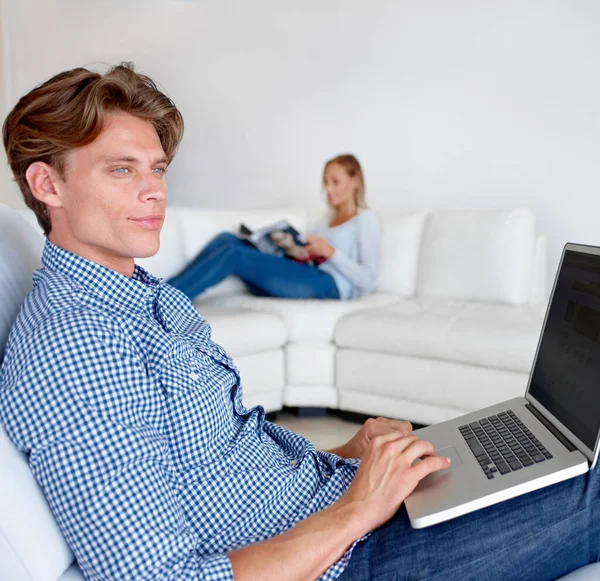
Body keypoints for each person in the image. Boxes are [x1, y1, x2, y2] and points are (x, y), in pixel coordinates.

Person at [0, 63, 598, 581]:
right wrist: (358, 510)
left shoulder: (146, 297)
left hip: (340, 516)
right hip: (352, 560)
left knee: (566, 451)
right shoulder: (75, 343)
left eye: (156, 168)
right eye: (122, 170)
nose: (155, 191)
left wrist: (348, 457)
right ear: (47, 183)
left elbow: (223, 462)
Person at [165, 153, 380, 301]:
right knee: (226, 239)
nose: (329, 189)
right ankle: (160, 293)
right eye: (326, 182)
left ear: (355, 181)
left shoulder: (365, 219)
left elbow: (368, 281)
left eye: (335, 181)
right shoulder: (323, 221)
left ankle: (164, 303)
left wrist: (331, 253)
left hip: (329, 285)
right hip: (303, 273)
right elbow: (304, 257)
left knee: (233, 254)